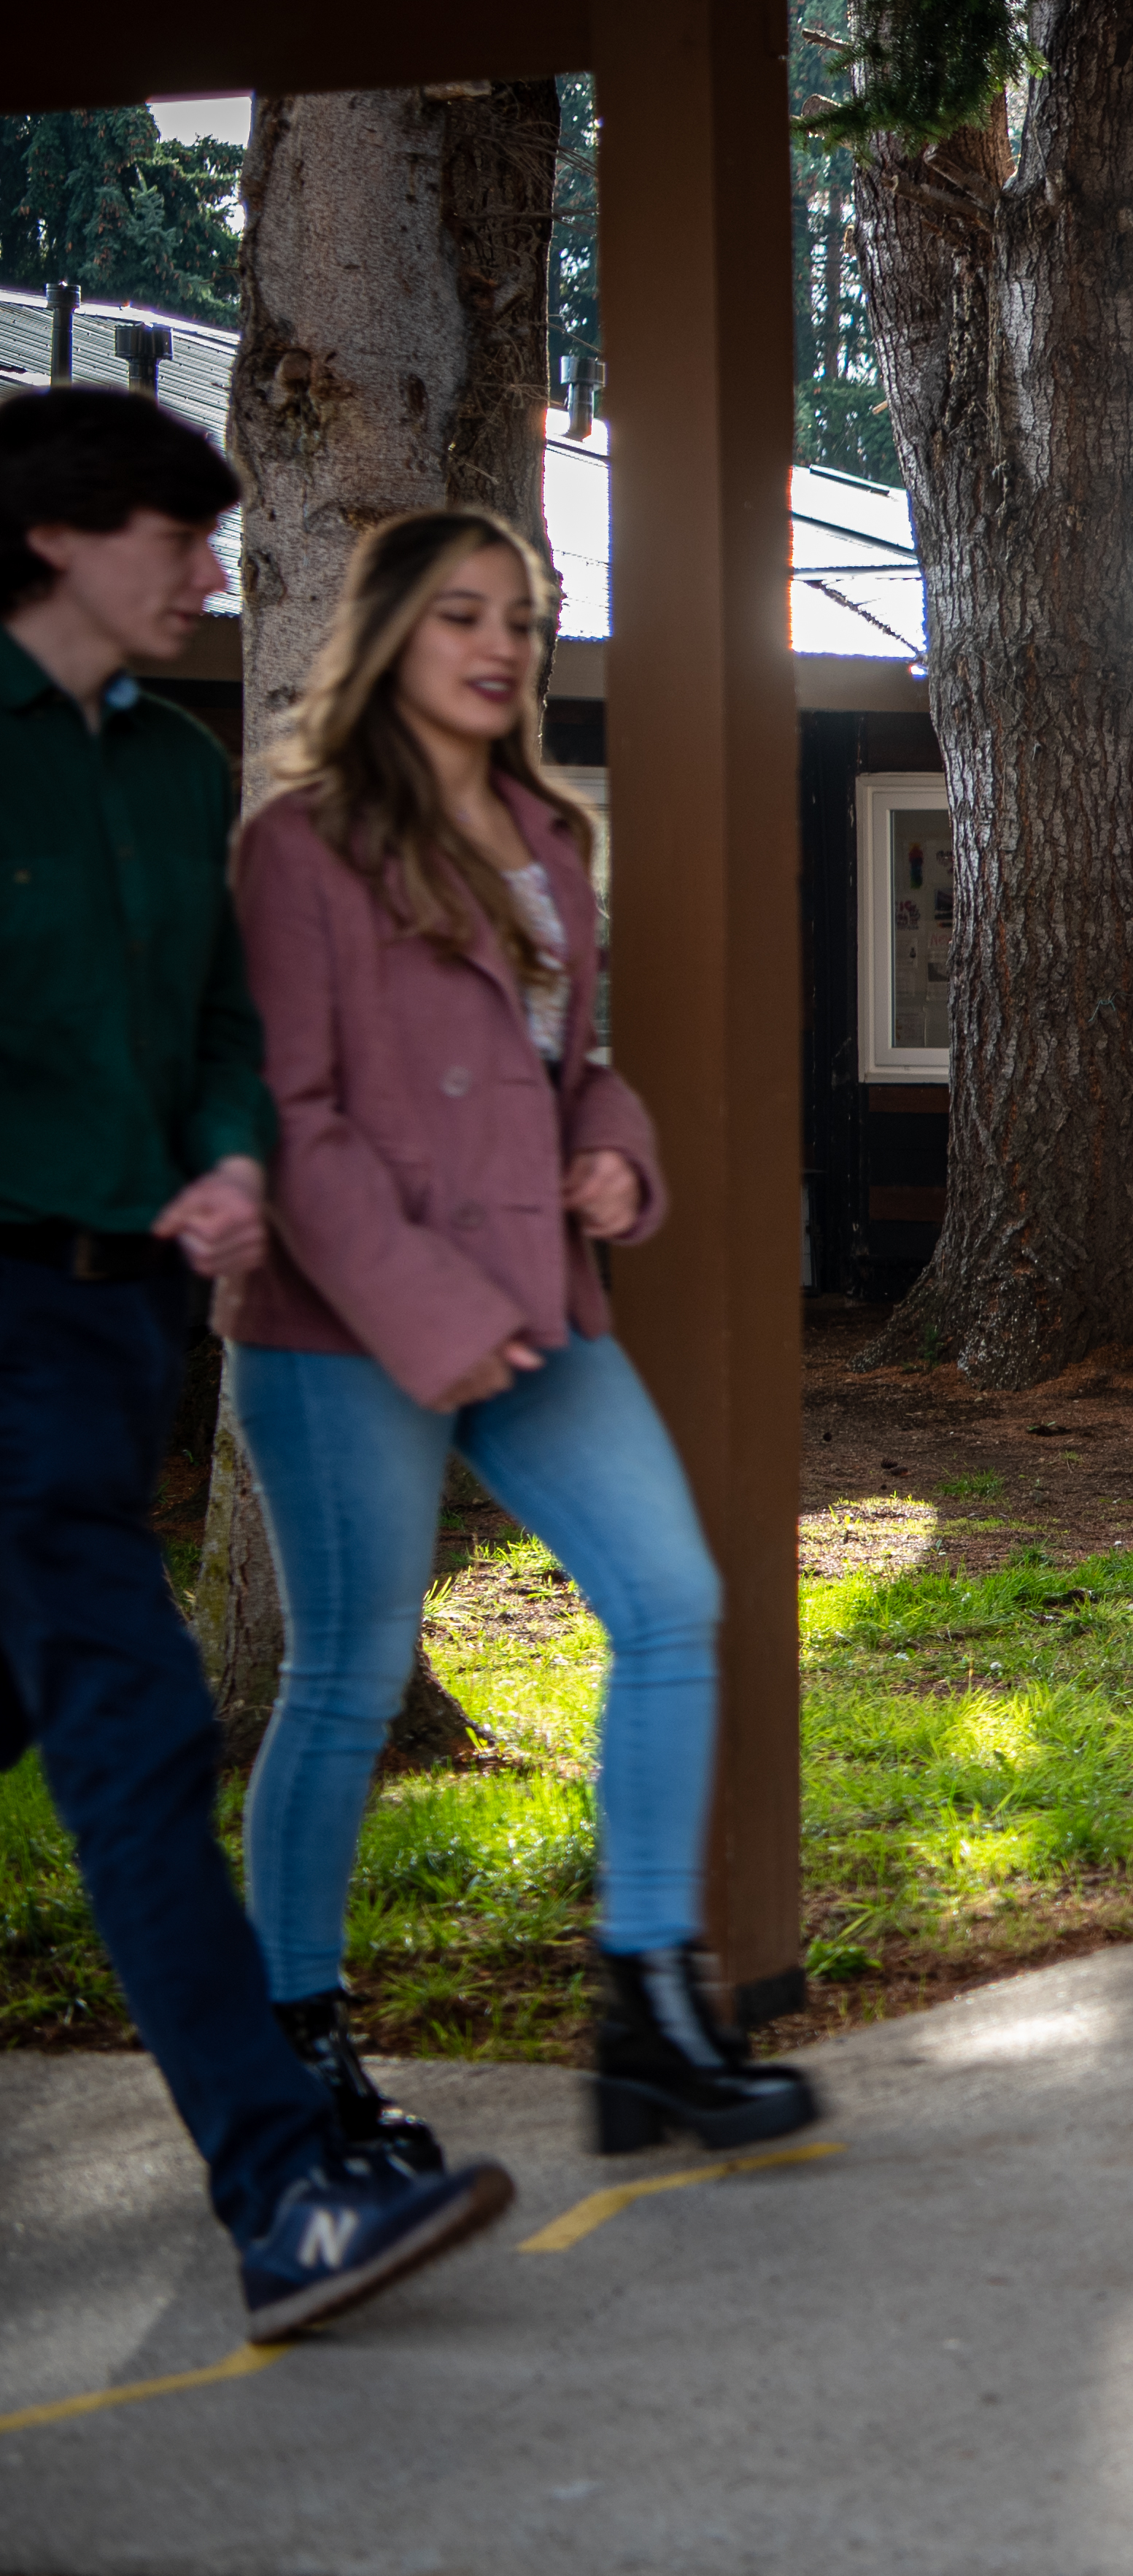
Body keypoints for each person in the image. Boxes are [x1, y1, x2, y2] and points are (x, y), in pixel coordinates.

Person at [0, 391, 515, 2334]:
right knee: (134, 1738)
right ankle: (285, 2187)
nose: (211, 575)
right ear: (59, 534)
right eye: (178, 537)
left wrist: (220, 1159)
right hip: (5, 1323)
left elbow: (218, 1022)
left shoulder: (160, 770)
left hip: (117, 1317)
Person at [222, 508, 816, 2153]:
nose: (502, 648)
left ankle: (647, 2013)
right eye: (464, 617)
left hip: (544, 1295)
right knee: (345, 1676)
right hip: (345, 1322)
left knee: (674, 1603)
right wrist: (433, 1309)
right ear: (388, 637)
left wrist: (614, 1141)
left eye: (526, 621)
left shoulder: (547, 832)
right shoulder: (303, 844)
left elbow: (574, 1057)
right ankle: (295, 2041)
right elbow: (296, 1111)